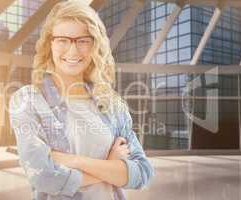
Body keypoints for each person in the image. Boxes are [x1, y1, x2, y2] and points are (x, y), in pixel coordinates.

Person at [9, 1, 155, 200]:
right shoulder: (27, 100)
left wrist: (73, 160)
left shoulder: (112, 104)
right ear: (49, 44)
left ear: (95, 45)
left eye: (83, 41)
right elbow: (44, 177)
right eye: (63, 40)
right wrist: (111, 166)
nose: (73, 51)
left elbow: (143, 173)